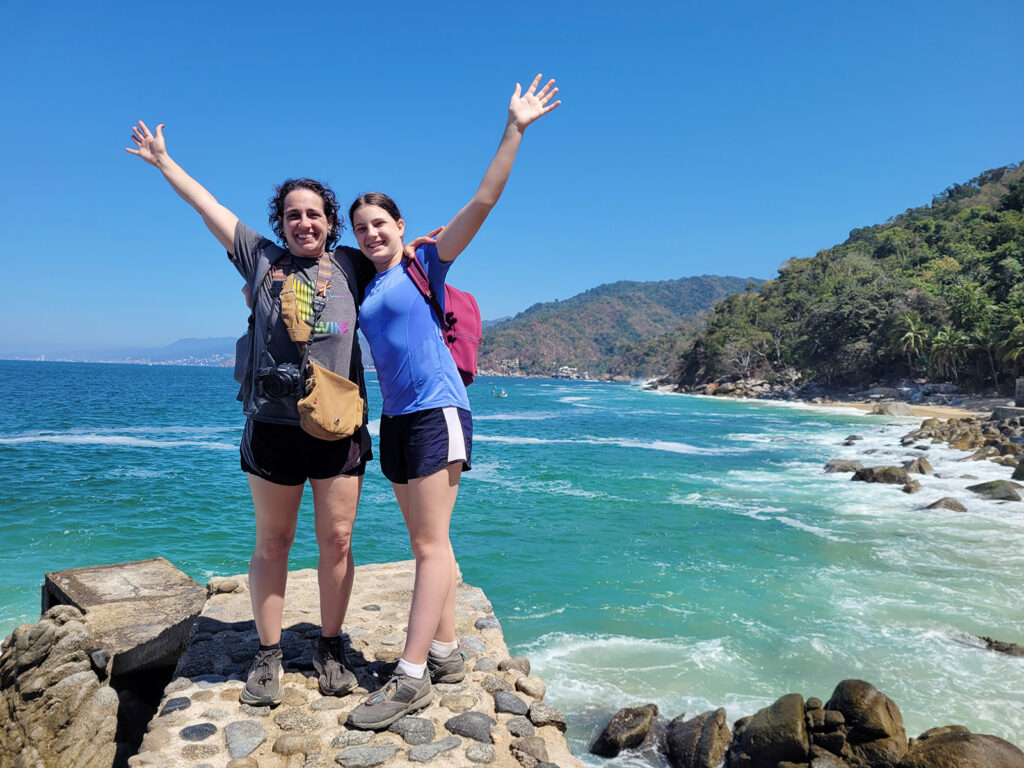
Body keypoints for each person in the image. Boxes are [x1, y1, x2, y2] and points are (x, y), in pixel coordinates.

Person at [125, 123, 429, 707]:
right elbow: (206, 204)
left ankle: (330, 645)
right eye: (293, 215)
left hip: (339, 428)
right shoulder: (259, 260)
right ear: (279, 222)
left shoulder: (350, 265)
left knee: (337, 541)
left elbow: (394, 255)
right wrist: (165, 161)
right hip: (272, 427)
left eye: (314, 214)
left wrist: (415, 246)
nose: (304, 223)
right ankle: (267, 654)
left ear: (330, 223)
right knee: (274, 542)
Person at [345, 74, 561, 729]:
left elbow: (485, 199)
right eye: (362, 228)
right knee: (424, 541)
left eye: (380, 223)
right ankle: (443, 652)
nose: (371, 233)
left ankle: (410, 679)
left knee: (432, 545)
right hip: (396, 420)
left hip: (438, 410)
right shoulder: (366, 286)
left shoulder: (424, 264)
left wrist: (514, 128)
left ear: (400, 225)